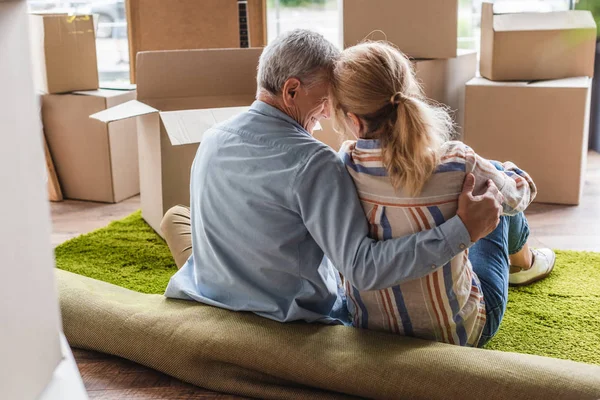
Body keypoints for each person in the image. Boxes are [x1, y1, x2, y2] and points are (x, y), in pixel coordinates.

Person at [160, 29, 503, 326]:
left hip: (209, 293)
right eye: (326, 100)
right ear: (291, 91)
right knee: (495, 210)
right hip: (286, 319)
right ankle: (525, 259)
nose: (328, 113)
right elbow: (363, 270)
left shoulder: (213, 137)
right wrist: (462, 230)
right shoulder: (314, 162)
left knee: (176, 217)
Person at [329, 41, 555, 346]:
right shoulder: (456, 162)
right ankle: (525, 265)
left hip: (371, 329)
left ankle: (523, 261)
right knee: (493, 188)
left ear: (354, 121)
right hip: (460, 335)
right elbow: (518, 197)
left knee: (485, 186)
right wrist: (512, 174)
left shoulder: (342, 167)